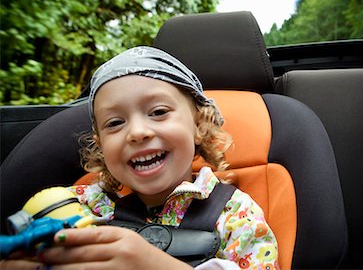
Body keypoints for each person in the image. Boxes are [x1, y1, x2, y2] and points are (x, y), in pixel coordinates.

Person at [2, 46, 279, 270]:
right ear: (101, 146)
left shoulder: (236, 216)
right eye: (114, 123)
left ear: (198, 126)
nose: (137, 132)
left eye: (158, 112)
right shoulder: (81, 204)